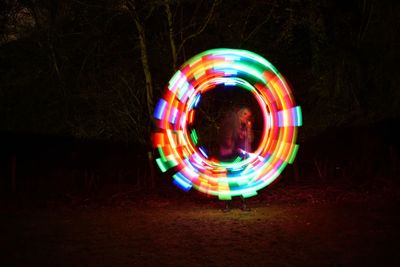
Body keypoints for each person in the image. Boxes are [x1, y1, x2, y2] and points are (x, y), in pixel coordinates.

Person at [218, 107, 254, 212]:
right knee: (228, 181)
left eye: (248, 115)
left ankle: (243, 204)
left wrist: (249, 128)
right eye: (245, 114)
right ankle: (227, 205)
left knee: (242, 180)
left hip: (240, 158)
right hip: (229, 157)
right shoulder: (231, 125)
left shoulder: (245, 127)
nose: (247, 117)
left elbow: (250, 140)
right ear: (239, 114)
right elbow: (227, 141)